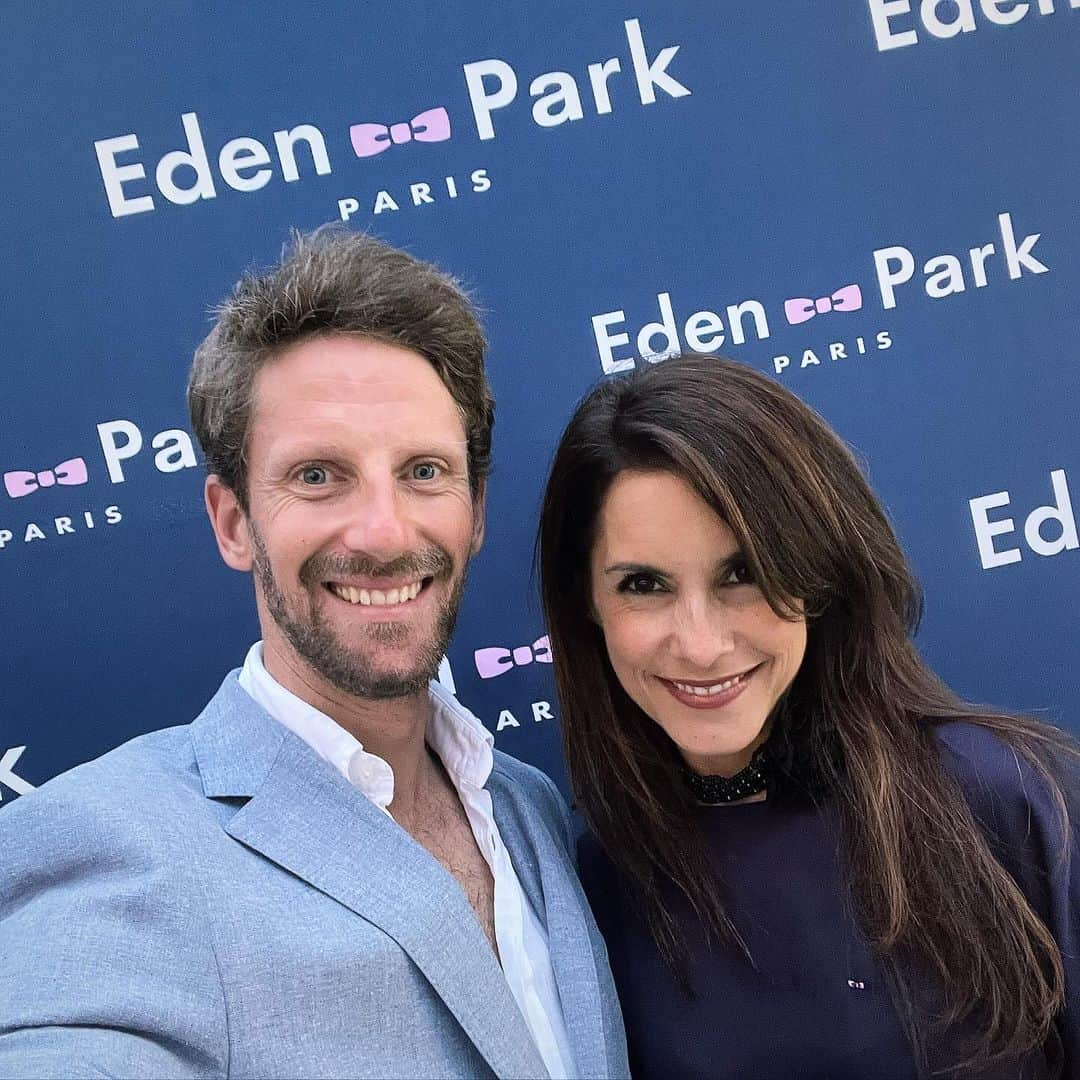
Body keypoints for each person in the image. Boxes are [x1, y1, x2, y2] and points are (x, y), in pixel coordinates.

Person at [0, 228, 627, 1080]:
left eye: (423, 472)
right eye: (318, 476)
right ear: (232, 522)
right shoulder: (115, 844)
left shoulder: (528, 805)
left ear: (475, 511)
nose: (383, 532)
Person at [537, 352, 1078, 1079]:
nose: (700, 644)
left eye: (744, 573)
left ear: (821, 573)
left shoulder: (1006, 798)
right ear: (588, 606)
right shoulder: (592, 887)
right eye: (644, 584)